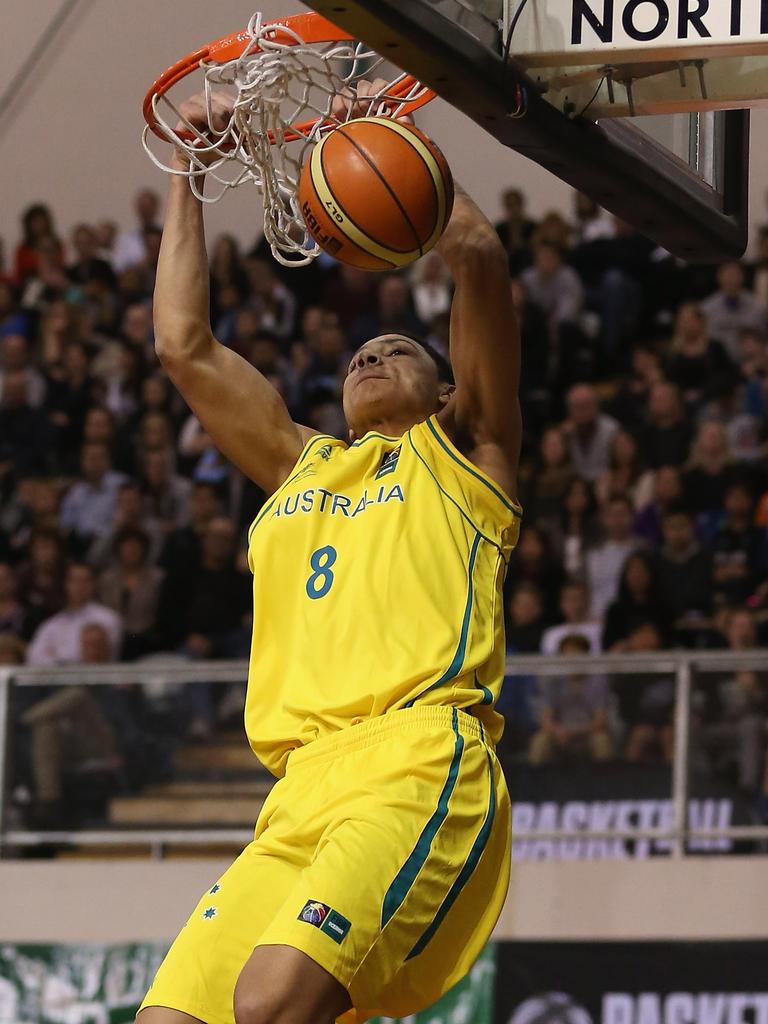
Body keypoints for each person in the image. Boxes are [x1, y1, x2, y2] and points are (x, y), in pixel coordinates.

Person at [138, 90, 523, 1024]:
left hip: (417, 760)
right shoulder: (298, 467)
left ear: (443, 392)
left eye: (398, 351)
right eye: (359, 353)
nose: (370, 357)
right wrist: (190, 168)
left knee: (271, 1004)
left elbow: (473, 254)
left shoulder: (464, 455)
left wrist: (390, 135)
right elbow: (183, 346)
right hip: (297, 789)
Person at [528, 633, 613, 764]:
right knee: (540, 741)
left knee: (601, 741)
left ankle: (605, 782)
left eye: (577, 654)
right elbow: (546, 718)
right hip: (560, 735)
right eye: (568, 655)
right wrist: (558, 730)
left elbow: (600, 721)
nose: (572, 659)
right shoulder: (553, 681)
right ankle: (534, 781)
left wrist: (575, 733)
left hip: (587, 734)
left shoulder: (597, 681)